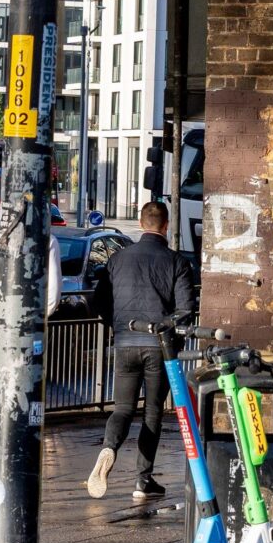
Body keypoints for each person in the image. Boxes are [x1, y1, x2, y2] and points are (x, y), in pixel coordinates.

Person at [87, 200, 198, 504]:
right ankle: (142, 481)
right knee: (152, 414)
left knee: (122, 408)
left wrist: (120, 325)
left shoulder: (118, 259)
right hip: (160, 349)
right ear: (166, 225)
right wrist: (167, 330)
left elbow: (98, 302)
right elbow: (186, 310)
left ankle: (109, 447)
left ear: (140, 223)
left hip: (125, 342)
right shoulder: (177, 262)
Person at [0, 211, 61, 504]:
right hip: (25, 334)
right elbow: (53, 297)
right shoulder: (47, 240)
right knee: (20, 400)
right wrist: (24, 319)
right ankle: (15, 467)